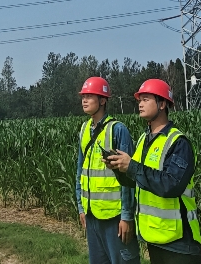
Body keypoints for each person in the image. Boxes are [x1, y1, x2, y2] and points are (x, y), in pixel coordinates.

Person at [104, 79, 201, 264]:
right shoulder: (144, 139)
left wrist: (132, 167)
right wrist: (119, 169)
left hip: (180, 243)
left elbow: (171, 185)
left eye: (146, 99)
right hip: (154, 238)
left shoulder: (178, 143)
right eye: (139, 100)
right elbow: (136, 181)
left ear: (162, 104)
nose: (140, 104)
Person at [75, 76, 140, 264]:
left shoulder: (118, 130)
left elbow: (128, 178)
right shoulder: (84, 129)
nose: (84, 100)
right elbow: (80, 171)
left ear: (103, 100)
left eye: (89, 96)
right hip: (92, 215)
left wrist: (127, 216)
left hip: (115, 217)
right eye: (83, 96)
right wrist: (81, 207)